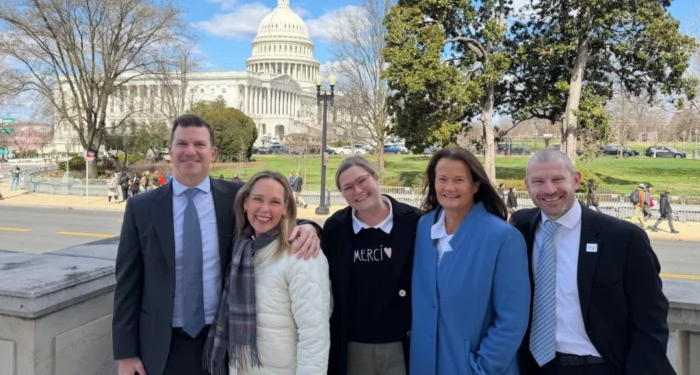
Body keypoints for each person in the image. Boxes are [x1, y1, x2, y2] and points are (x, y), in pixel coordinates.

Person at [113, 114, 323, 375]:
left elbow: (269, 214)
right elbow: (127, 284)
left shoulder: (234, 197)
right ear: (170, 151)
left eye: (199, 144)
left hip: (222, 338)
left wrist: (309, 227)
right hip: (161, 343)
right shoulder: (141, 207)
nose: (191, 151)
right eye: (182, 144)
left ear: (212, 152)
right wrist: (125, 352)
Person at [511, 149, 674, 375]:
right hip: (536, 367)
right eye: (538, 181)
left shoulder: (624, 238)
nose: (549, 189)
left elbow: (651, 320)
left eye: (558, 179)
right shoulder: (520, 228)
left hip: (602, 366)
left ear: (575, 180)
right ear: (527, 186)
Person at [410, 147, 530, 375]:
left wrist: (481, 368)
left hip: (477, 369)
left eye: (459, 180)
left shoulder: (503, 238)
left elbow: (512, 319)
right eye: (442, 179)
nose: (449, 187)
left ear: (475, 185)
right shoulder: (424, 227)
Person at [205, 170, 331, 375]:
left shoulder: (302, 253)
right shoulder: (242, 249)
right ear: (245, 203)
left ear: (285, 208)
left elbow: (314, 337)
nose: (265, 209)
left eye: (274, 202)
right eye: (258, 199)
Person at [322, 156, 421, 375]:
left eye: (362, 181)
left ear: (375, 177)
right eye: (348, 188)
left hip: (402, 343)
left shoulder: (413, 222)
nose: (357, 191)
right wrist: (308, 225)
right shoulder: (335, 229)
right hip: (354, 345)